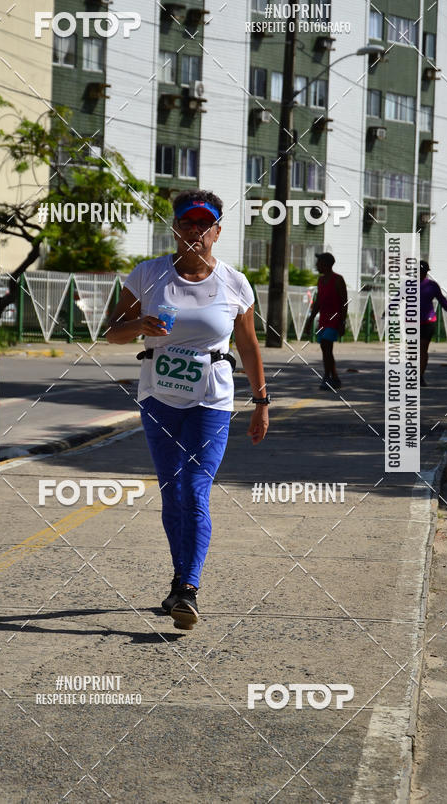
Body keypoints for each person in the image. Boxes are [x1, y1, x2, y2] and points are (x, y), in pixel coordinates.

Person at [106, 190, 269, 631]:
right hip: (159, 397)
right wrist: (138, 326)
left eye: (204, 224)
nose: (195, 231)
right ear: (175, 229)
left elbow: (248, 345)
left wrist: (261, 401)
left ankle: (187, 587)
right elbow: (111, 334)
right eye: (187, 223)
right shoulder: (147, 275)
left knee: (195, 487)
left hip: (211, 399)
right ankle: (180, 579)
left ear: (217, 231)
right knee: (172, 490)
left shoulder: (235, 283)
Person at [304, 252, 347, 390]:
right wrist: (310, 321)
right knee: (325, 349)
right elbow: (318, 303)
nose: (317, 265)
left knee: (327, 346)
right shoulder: (321, 281)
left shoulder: (338, 280)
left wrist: (342, 322)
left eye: (319, 262)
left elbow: (344, 303)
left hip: (334, 320)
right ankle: (334, 377)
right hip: (323, 320)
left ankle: (327, 377)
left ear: (326, 264)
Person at [420, 260, 447, 386]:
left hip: (428, 321)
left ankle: (419, 376)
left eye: (423, 271)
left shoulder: (432, 285)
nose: (421, 273)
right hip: (411, 322)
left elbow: (443, 301)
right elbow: (398, 298)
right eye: (419, 271)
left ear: (426, 272)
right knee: (413, 351)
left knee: (422, 349)